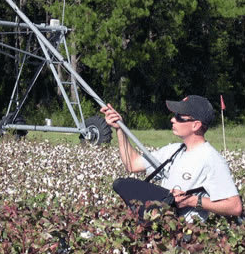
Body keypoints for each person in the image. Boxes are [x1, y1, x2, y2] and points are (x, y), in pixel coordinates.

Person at [100, 95, 242, 222]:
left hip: (184, 235)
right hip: (161, 225)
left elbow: (235, 207)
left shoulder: (211, 159)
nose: (172, 119)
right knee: (122, 184)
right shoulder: (173, 150)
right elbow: (132, 164)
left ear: (196, 125)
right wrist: (120, 128)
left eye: (179, 117)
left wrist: (193, 201)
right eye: (175, 115)